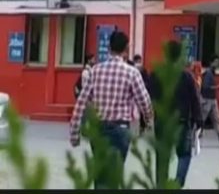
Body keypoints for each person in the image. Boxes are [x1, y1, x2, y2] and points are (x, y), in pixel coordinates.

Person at [69, 31, 153, 189]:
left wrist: (75, 133)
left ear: (108, 48)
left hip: (98, 130)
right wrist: (148, 122)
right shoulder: (132, 73)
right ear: (126, 49)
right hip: (120, 131)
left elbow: (81, 102)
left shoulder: (95, 71)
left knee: (100, 176)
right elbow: (145, 101)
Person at [149, 40, 203, 188]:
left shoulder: (156, 74)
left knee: (162, 157)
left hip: (162, 121)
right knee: (184, 154)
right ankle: (178, 182)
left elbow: (150, 96)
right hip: (181, 121)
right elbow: (194, 99)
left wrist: (147, 119)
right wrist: (198, 119)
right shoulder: (187, 76)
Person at [200, 55, 219, 148]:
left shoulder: (212, 73)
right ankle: (193, 140)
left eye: (218, 62)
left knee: (217, 120)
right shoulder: (208, 73)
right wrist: (217, 87)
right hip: (207, 100)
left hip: (212, 100)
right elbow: (205, 86)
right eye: (215, 62)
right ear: (211, 62)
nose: (217, 64)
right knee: (200, 120)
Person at [133, 54, 150, 135]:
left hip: (140, 92)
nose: (139, 63)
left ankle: (142, 127)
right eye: (137, 61)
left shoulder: (143, 70)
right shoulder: (131, 70)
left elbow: (147, 80)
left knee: (141, 110)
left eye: (140, 61)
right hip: (132, 94)